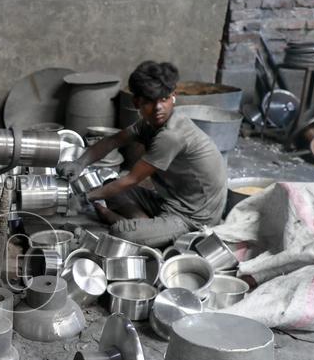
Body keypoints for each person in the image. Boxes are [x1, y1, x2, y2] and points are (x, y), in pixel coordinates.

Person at [57, 61, 227, 248]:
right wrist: (79, 163)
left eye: (164, 99)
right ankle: (147, 226)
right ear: (137, 102)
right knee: (109, 185)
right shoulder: (150, 124)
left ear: (173, 96)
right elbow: (113, 141)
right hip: (170, 201)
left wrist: (84, 199)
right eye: (149, 101)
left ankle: (131, 224)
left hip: (193, 217)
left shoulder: (171, 135)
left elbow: (131, 179)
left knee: (120, 233)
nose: (158, 108)